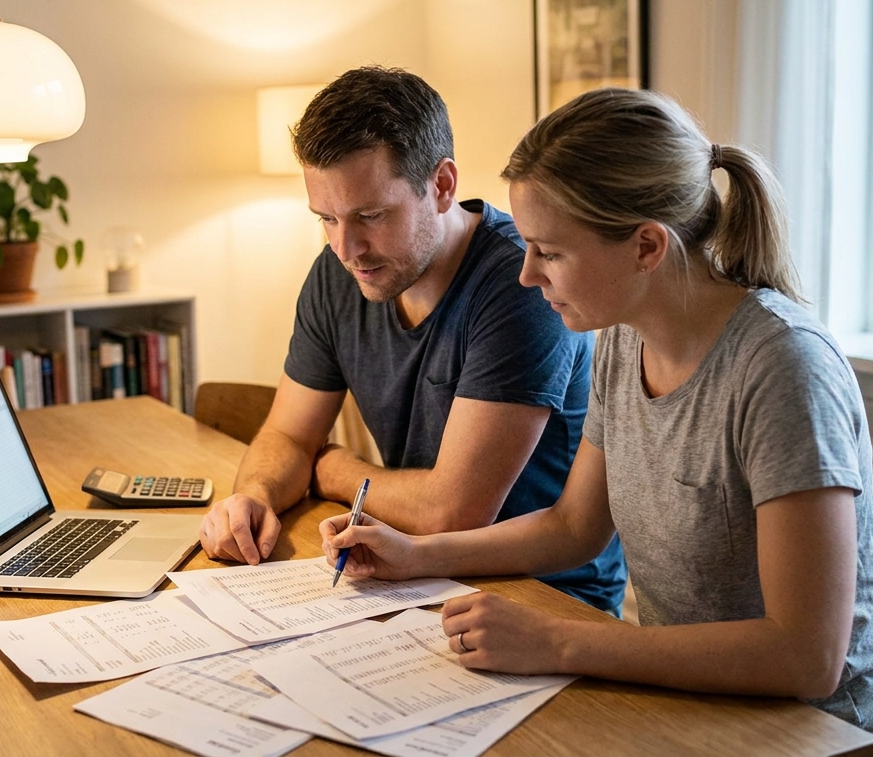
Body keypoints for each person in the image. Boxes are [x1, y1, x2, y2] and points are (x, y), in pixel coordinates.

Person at [320, 87, 873, 754]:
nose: (527, 275)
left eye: (551, 252)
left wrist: (560, 640)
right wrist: (417, 555)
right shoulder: (625, 338)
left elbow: (805, 656)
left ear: (647, 247)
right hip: (688, 708)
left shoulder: (783, 369)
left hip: (812, 735)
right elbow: (575, 526)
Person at [198, 66, 626, 613]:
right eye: (325, 218)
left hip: (543, 594)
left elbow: (452, 512)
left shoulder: (521, 285)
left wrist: (334, 469)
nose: (346, 247)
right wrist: (254, 497)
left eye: (370, 215)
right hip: (413, 570)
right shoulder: (342, 273)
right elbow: (286, 434)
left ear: (442, 185)